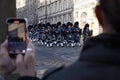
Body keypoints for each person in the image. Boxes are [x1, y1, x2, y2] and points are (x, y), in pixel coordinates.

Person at [1, 0, 120, 80]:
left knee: (68, 39)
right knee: (57, 39)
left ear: (98, 15)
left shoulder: (57, 76)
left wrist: (26, 76)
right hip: (54, 37)